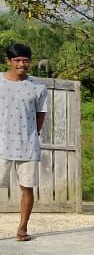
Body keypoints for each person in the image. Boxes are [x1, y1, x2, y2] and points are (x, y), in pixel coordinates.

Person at [1, 43, 48, 242]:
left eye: (25, 60)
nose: (22, 64)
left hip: (27, 146)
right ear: (9, 61)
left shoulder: (37, 87)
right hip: (1, 144)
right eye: (17, 60)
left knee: (27, 187)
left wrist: (32, 135)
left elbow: (40, 114)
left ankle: (22, 229)